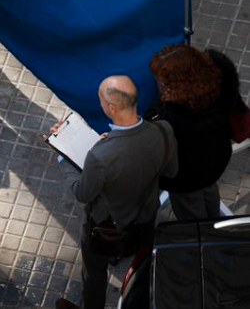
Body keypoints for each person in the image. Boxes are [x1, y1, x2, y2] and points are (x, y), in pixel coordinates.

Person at [53, 76, 178, 309]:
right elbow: (171, 172)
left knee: (94, 272)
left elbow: (82, 193)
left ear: (111, 107)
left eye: (100, 98)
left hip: (106, 227)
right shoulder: (163, 130)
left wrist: (63, 157)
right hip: (145, 220)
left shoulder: (100, 155)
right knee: (141, 258)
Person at [148, 44, 239, 220]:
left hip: (187, 177)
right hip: (216, 159)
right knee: (210, 193)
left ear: (176, 86)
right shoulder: (221, 86)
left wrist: (155, 109)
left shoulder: (172, 118)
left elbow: (152, 124)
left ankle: (205, 240)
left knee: (191, 215)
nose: (158, 85)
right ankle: (213, 220)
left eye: (161, 81)